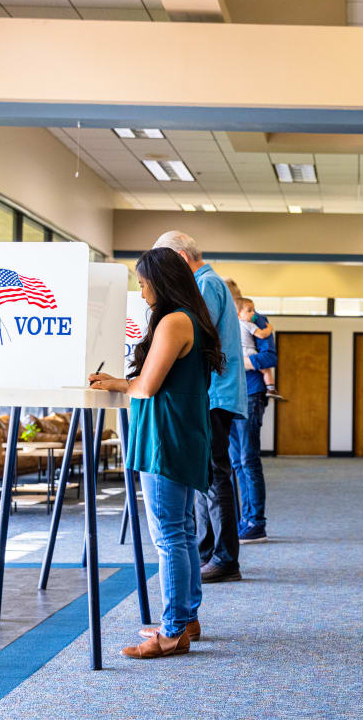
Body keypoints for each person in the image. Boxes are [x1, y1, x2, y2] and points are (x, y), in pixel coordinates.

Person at [90, 247, 225, 659]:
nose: (141, 290)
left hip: (166, 437)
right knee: (181, 532)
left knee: (169, 536)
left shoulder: (173, 321)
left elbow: (146, 388)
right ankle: (185, 620)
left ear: (162, 281)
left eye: (144, 282)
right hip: (182, 432)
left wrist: (112, 383)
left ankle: (171, 631)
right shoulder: (192, 320)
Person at [153, 231, 246, 583]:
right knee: (207, 475)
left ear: (180, 256)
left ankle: (222, 556)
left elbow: (191, 338)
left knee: (213, 475)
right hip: (213, 393)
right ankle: (210, 551)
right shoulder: (210, 284)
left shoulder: (204, 286)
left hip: (212, 394)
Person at [231, 284, 277, 544]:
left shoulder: (256, 320)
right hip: (227, 396)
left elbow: (269, 358)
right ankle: (244, 519)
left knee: (248, 459)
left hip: (251, 393)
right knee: (236, 461)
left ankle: (255, 522)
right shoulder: (223, 321)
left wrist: (240, 363)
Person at [237, 296, 284, 400]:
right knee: (266, 370)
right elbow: (262, 335)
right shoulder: (249, 324)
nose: (253, 313)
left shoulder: (234, 325)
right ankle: (271, 388)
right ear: (239, 313)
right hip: (249, 353)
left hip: (240, 353)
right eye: (249, 311)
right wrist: (270, 328)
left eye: (253, 310)